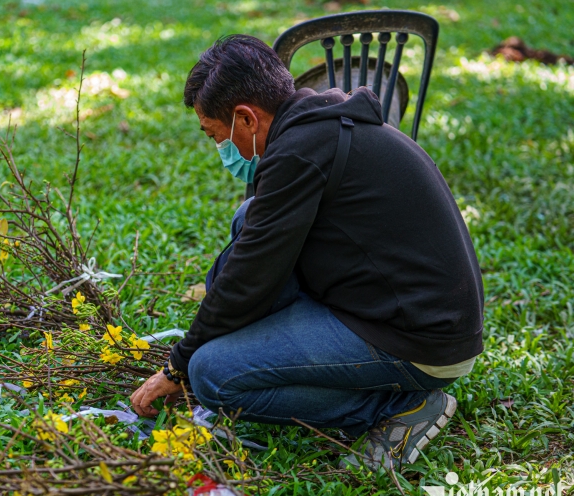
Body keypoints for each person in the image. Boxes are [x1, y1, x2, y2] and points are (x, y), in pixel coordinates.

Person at [130, 34, 484, 470]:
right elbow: (253, 257)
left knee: (212, 374)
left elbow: (248, 278)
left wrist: (178, 367)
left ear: (246, 118)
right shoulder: (317, 127)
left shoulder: (299, 152)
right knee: (249, 217)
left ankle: (400, 408)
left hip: (418, 340)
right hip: (394, 308)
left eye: (215, 135)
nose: (220, 149)